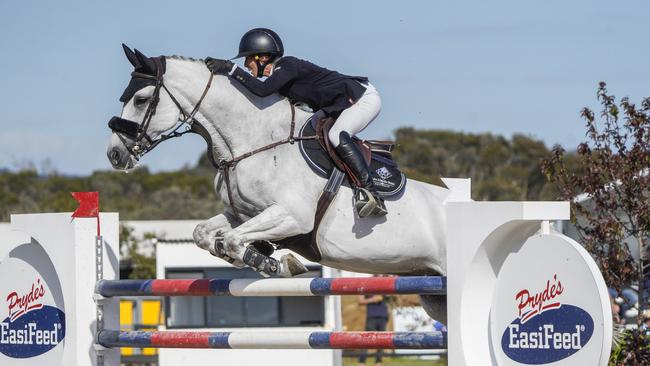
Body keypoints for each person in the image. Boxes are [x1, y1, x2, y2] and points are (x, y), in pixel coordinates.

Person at [205, 28, 386, 218]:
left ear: (261, 57)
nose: (245, 64)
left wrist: (231, 69)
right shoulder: (279, 78)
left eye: (247, 59)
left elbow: (262, 90)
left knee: (336, 135)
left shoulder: (287, 65)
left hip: (361, 99)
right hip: (338, 106)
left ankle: (370, 192)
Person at [357, 283, 389, 365]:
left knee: (381, 340)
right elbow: (360, 301)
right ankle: (362, 362)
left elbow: (392, 297)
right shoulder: (367, 283)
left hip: (383, 317)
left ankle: (378, 362)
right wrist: (373, 299)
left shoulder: (385, 283)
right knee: (367, 339)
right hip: (371, 317)